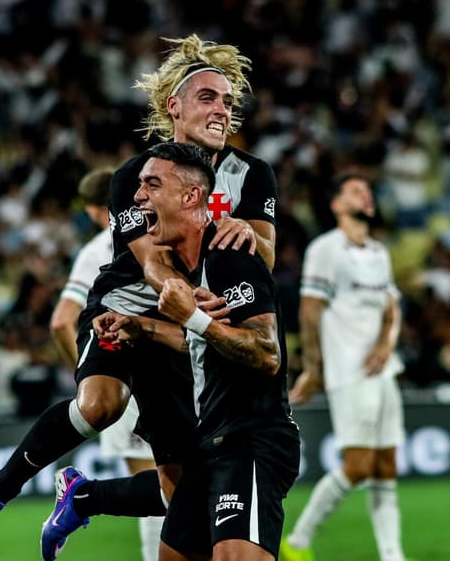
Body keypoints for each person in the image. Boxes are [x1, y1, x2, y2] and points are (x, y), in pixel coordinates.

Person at [0, 34, 280, 557]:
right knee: (99, 406)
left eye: (229, 102)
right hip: (129, 303)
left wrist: (239, 233)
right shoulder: (137, 177)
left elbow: (266, 256)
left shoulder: (252, 174)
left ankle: (83, 498)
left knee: (180, 487)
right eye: (208, 97)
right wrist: (191, 298)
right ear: (175, 106)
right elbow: (150, 262)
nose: (222, 109)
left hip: (188, 324)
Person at [43, 142, 299, 561]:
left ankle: (83, 497)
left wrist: (194, 317)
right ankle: (84, 497)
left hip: (250, 441)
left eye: (151, 185)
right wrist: (140, 327)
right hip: (206, 444)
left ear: (191, 196)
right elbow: (203, 344)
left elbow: (267, 354)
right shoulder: (186, 268)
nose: (138, 196)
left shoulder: (231, 255)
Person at [280, 175, 408, 561]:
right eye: (355, 191)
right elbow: (310, 309)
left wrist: (386, 345)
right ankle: (299, 540)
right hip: (348, 369)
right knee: (358, 465)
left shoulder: (378, 251)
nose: (366, 194)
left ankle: (392, 555)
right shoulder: (325, 249)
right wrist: (314, 368)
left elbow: (391, 307)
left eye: (368, 190)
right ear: (336, 205)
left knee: (386, 465)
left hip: (382, 369)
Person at [48, 167, 164, 561]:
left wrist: (87, 377)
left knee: (155, 485)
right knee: (171, 485)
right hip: (167, 372)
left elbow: (62, 320)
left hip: (122, 378)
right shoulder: (159, 233)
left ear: (95, 210)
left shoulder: (99, 247)